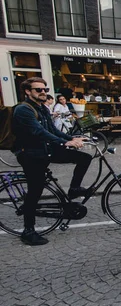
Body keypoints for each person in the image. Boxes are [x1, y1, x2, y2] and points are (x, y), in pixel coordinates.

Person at [12, 78, 92, 245]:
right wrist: (65, 143)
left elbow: (52, 130)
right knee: (35, 191)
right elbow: (38, 131)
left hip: (46, 151)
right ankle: (28, 231)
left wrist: (72, 137)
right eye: (38, 90)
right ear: (28, 91)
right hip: (31, 155)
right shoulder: (23, 110)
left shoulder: (42, 108)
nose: (43, 92)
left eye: (45, 89)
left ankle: (74, 188)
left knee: (84, 157)